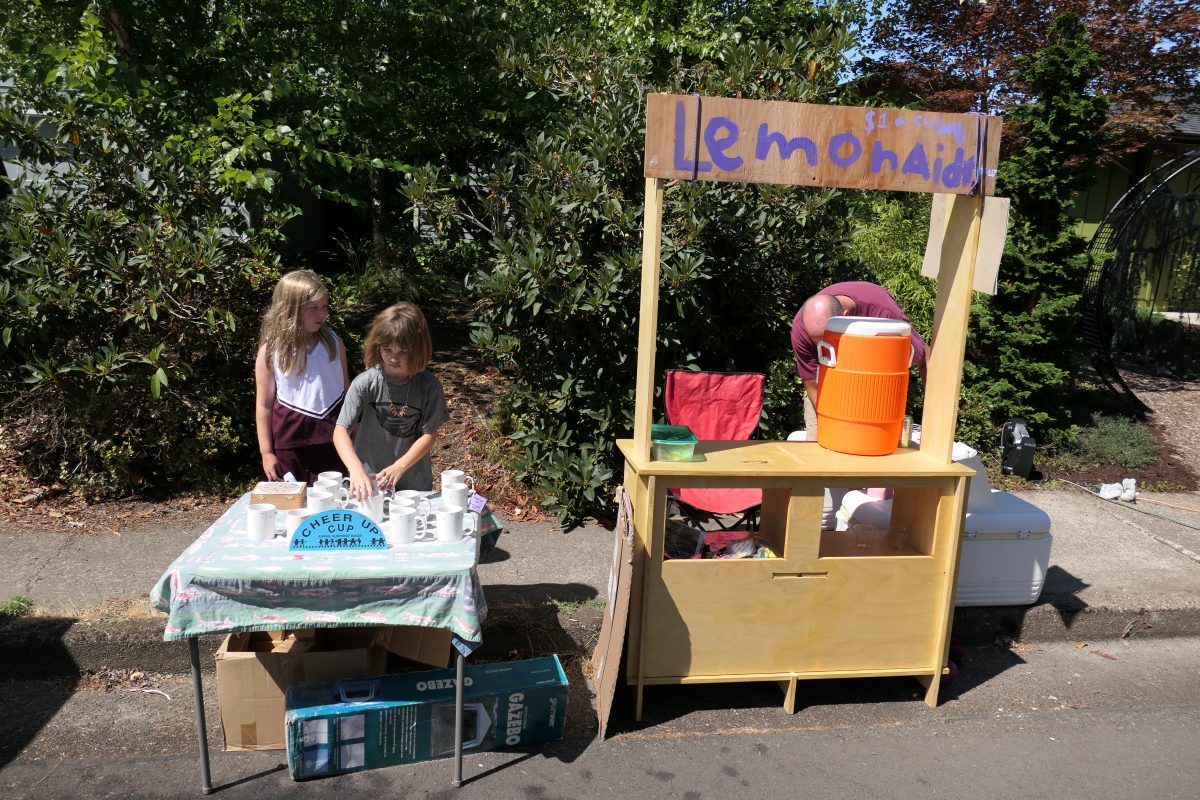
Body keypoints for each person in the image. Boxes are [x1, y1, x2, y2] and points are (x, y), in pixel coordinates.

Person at [334, 303, 449, 502]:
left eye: (403, 351)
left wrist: (400, 466)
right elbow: (340, 430)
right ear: (376, 346)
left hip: (414, 485)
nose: (393, 358)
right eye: (387, 349)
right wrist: (355, 468)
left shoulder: (428, 385)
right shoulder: (366, 383)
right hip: (369, 484)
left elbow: (429, 435)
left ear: (418, 349)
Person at [791, 281, 928, 431]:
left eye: (827, 339)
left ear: (845, 316)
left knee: (871, 443)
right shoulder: (802, 327)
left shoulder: (883, 315)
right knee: (819, 443)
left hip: (873, 384)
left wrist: (934, 418)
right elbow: (813, 384)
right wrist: (831, 426)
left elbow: (925, 358)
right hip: (826, 383)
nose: (824, 346)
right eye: (817, 342)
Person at [254, 270, 350, 484]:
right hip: (290, 444)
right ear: (290, 309)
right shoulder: (271, 350)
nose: (321, 314)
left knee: (335, 505)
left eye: (324, 307)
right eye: (313, 308)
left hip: (333, 440)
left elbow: (347, 391)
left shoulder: (334, 343)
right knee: (295, 509)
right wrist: (266, 452)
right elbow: (263, 406)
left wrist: (354, 429)